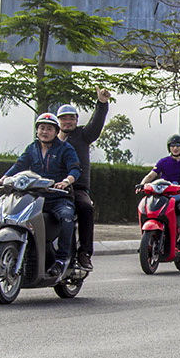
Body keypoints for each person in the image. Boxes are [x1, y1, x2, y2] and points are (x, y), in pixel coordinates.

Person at [0, 113, 81, 280]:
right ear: (37, 130)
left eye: (49, 128)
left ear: (56, 131)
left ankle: (61, 260)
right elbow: (18, 165)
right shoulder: (32, 148)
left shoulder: (65, 148)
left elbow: (75, 169)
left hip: (57, 197)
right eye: (41, 128)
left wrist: (65, 182)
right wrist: (3, 179)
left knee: (67, 217)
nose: (44, 132)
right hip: (35, 197)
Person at [55, 89, 112, 269]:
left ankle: (85, 252)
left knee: (86, 207)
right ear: (58, 121)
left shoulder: (83, 135)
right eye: (64, 118)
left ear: (76, 121)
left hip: (76, 188)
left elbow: (95, 125)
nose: (68, 121)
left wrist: (101, 103)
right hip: (49, 188)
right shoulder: (50, 140)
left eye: (71, 118)